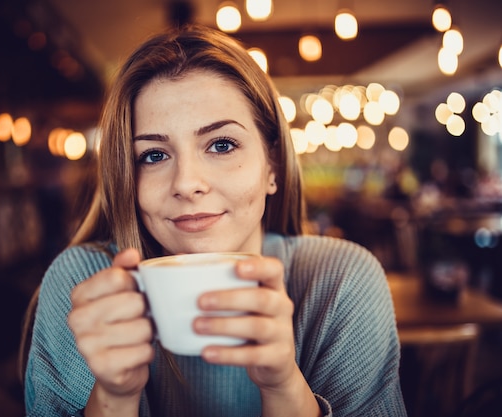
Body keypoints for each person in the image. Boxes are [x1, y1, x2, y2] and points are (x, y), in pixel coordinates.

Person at [23, 24, 407, 417]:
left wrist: (284, 388)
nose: (187, 184)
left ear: (272, 163)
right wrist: (114, 397)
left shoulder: (341, 282)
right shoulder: (84, 283)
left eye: (222, 145)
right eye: (153, 155)